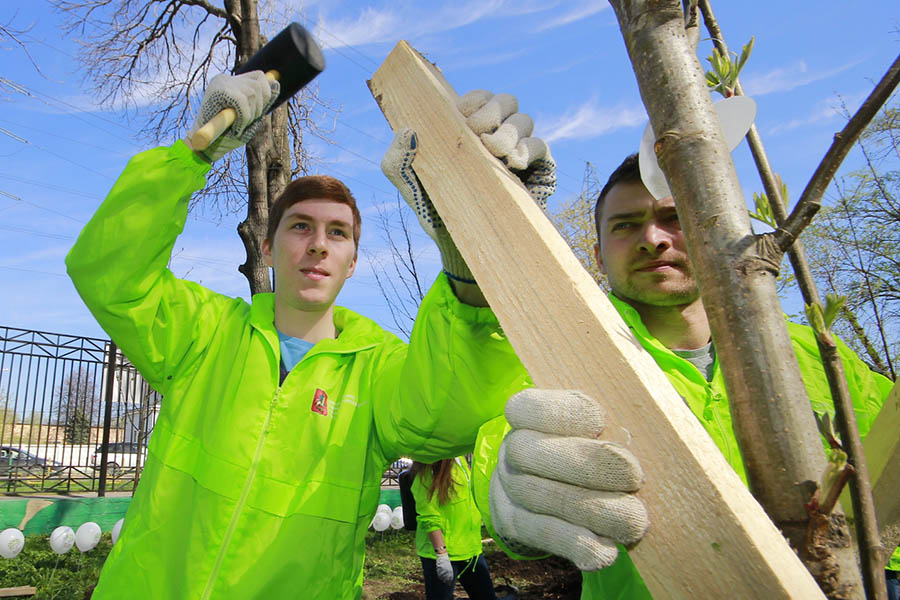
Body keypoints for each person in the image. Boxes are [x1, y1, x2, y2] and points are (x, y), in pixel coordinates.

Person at [65, 72, 560, 598]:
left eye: (338, 233)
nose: (319, 244)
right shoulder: (204, 333)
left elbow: (448, 415)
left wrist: (478, 263)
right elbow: (111, 277)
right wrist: (192, 155)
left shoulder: (379, 369)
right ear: (267, 248)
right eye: (300, 226)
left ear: (350, 264)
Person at [472, 152, 895, 599]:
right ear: (597, 256)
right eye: (625, 225)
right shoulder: (562, 359)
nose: (652, 239)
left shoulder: (816, 351)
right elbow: (500, 440)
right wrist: (509, 497)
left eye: (672, 217)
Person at [410, 457, 497, 600]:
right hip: (443, 554)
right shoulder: (427, 470)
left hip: (471, 551)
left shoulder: (460, 460)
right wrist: (441, 555)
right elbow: (429, 516)